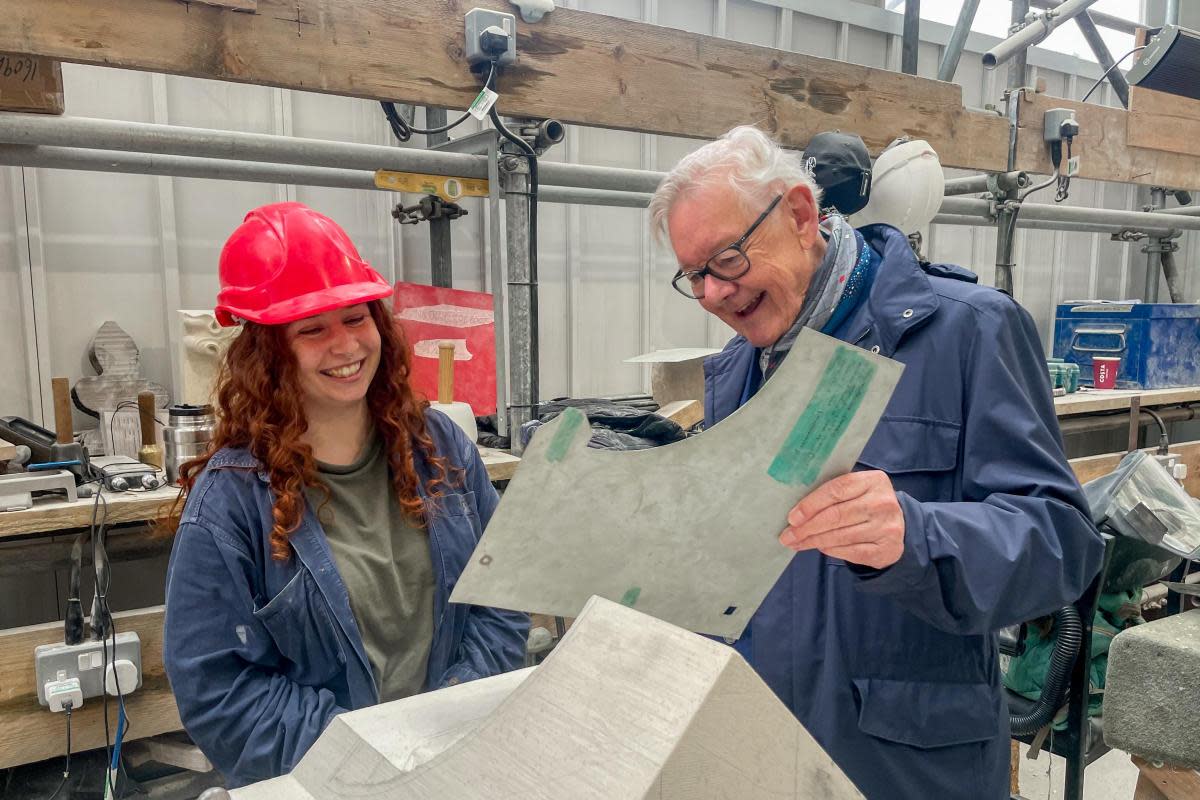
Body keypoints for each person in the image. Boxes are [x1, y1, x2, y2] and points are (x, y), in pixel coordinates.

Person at [648, 126, 1105, 799]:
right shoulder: (737, 373)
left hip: (905, 765)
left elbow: (1062, 545)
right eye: (695, 276)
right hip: (763, 750)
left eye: (727, 260)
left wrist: (916, 537)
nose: (714, 294)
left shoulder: (966, 332)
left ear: (801, 216)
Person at [162, 202, 528, 788]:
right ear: (269, 354)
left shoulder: (441, 450)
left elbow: (502, 595)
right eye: (312, 329)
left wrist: (452, 713)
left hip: (453, 764)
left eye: (356, 319)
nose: (345, 345)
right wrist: (371, 754)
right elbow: (219, 692)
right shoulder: (230, 504)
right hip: (327, 782)